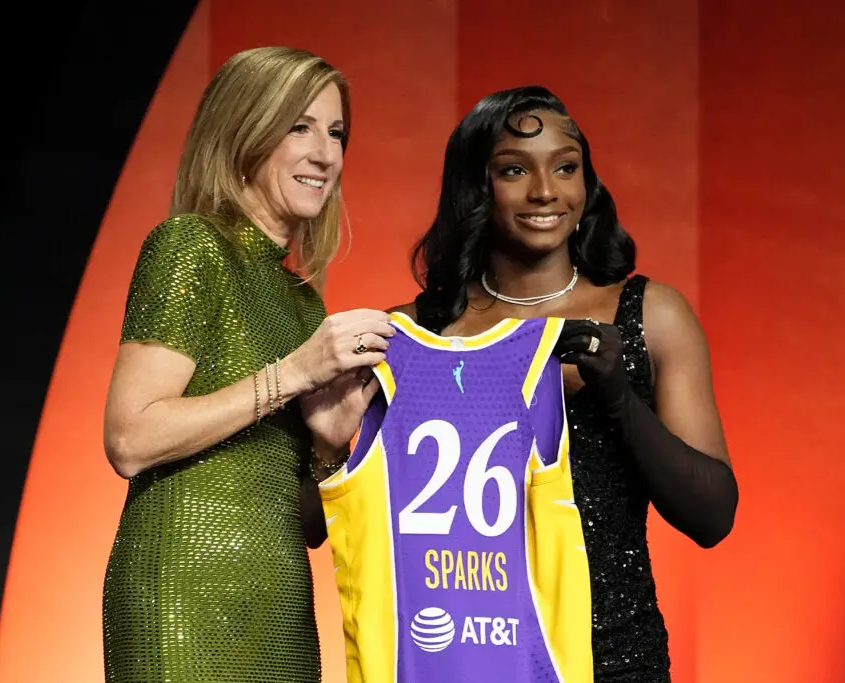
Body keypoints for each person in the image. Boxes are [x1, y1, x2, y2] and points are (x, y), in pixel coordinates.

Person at [387, 86, 740, 681]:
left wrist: (619, 399)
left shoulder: (650, 314)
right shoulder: (417, 334)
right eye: (514, 170)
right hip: (463, 653)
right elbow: (340, 517)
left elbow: (713, 517)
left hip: (613, 656)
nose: (545, 191)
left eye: (565, 167)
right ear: (475, 187)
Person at [101, 46, 393, 683]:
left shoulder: (303, 302)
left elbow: (306, 525)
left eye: (336, 133)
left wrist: (329, 447)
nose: (325, 154)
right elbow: (129, 439)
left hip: (280, 607)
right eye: (299, 127)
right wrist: (293, 375)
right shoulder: (190, 246)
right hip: (180, 599)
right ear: (244, 131)